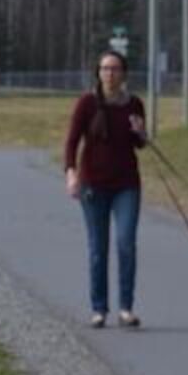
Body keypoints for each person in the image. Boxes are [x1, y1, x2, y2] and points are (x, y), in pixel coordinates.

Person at [64, 50, 148, 328]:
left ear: (124, 73)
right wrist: (71, 174)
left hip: (126, 184)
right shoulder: (87, 103)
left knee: (126, 244)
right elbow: (72, 141)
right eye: (105, 69)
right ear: (98, 73)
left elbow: (141, 144)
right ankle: (99, 309)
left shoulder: (133, 103)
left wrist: (140, 131)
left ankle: (126, 308)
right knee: (98, 249)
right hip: (93, 185)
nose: (109, 74)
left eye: (115, 69)